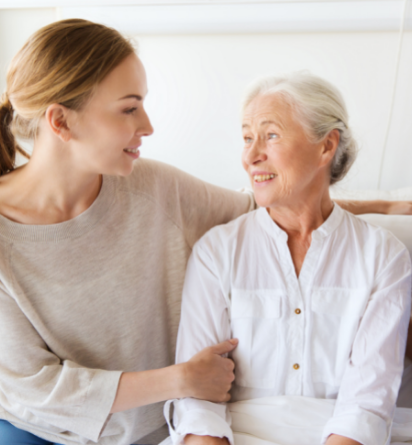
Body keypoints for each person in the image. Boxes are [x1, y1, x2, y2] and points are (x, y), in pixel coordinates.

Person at [0, 19, 408, 445]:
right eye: (130, 107)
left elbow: (274, 202)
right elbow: (31, 386)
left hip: (147, 427)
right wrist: (179, 379)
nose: (148, 125)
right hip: (29, 426)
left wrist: (385, 205)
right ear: (60, 121)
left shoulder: (154, 187)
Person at [167, 73, 412, 445]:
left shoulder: (383, 256)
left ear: (326, 146)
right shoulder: (216, 251)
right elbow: (197, 402)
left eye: (271, 135)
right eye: (247, 138)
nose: (251, 156)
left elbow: (367, 403)